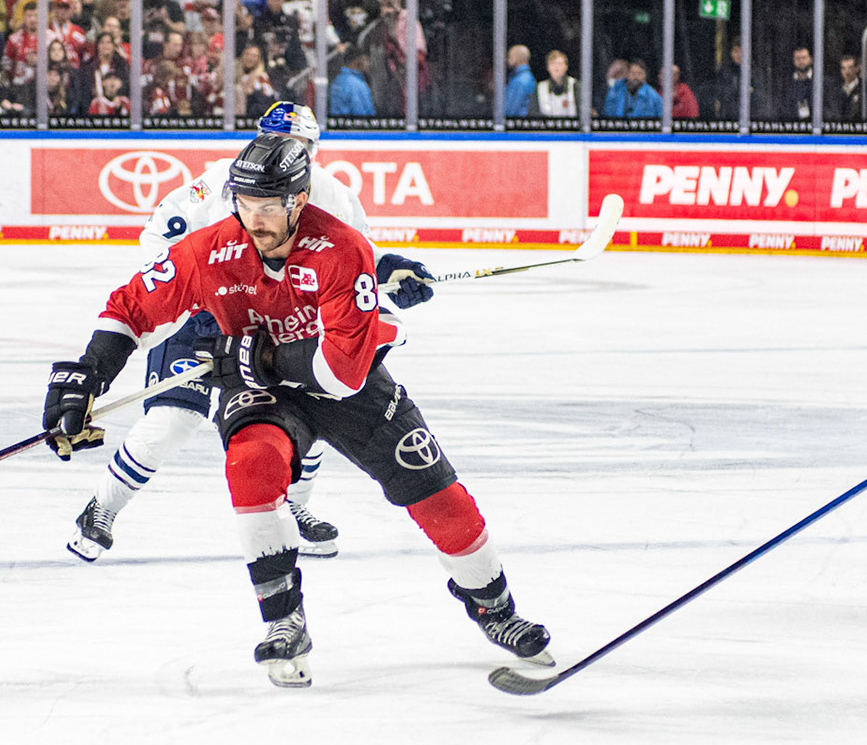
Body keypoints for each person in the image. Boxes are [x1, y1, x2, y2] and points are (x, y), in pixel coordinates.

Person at [42, 131, 550, 688]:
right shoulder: (209, 248)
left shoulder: (341, 249)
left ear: (299, 201)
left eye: (266, 207)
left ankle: (496, 610)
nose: (252, 219)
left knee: (439, 496)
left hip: (343, 383)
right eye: (244, 204)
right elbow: (131, 307)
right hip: (260, 388)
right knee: (250, 468)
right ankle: (284, 623)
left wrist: (258, 352)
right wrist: (85, 374)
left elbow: (341, 373)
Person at [63, 104, 436, 567]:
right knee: (173, 420)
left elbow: (351, 257)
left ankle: (293, 503)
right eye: (274, 139)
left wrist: (391, 271)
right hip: (201, 315)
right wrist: (204, 305)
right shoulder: (217, 183)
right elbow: (160, 245)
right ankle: (102, 507)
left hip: (276, 324)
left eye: (298, 146)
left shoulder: (333, 195)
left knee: (311, 407)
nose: (285, 152)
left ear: (312, 152)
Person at [329, 48, 375, 115]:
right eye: (366, 59)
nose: (369, 63)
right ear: (360, 60)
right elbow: (362, 114)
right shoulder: (357, 85)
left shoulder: (337, 80)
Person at [534, 49, 577, 116]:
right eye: (552, 63)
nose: (556, 67)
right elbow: (534, 113)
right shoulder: (540, 88)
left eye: (559, 64)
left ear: (566, 67)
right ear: (548, 67)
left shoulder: (575, 85)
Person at [501, 44, 535, 119]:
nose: (508, 60)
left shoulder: (521, 81)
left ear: (517, 58)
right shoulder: (520, 77)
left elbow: (511, 110)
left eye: (510, 57)